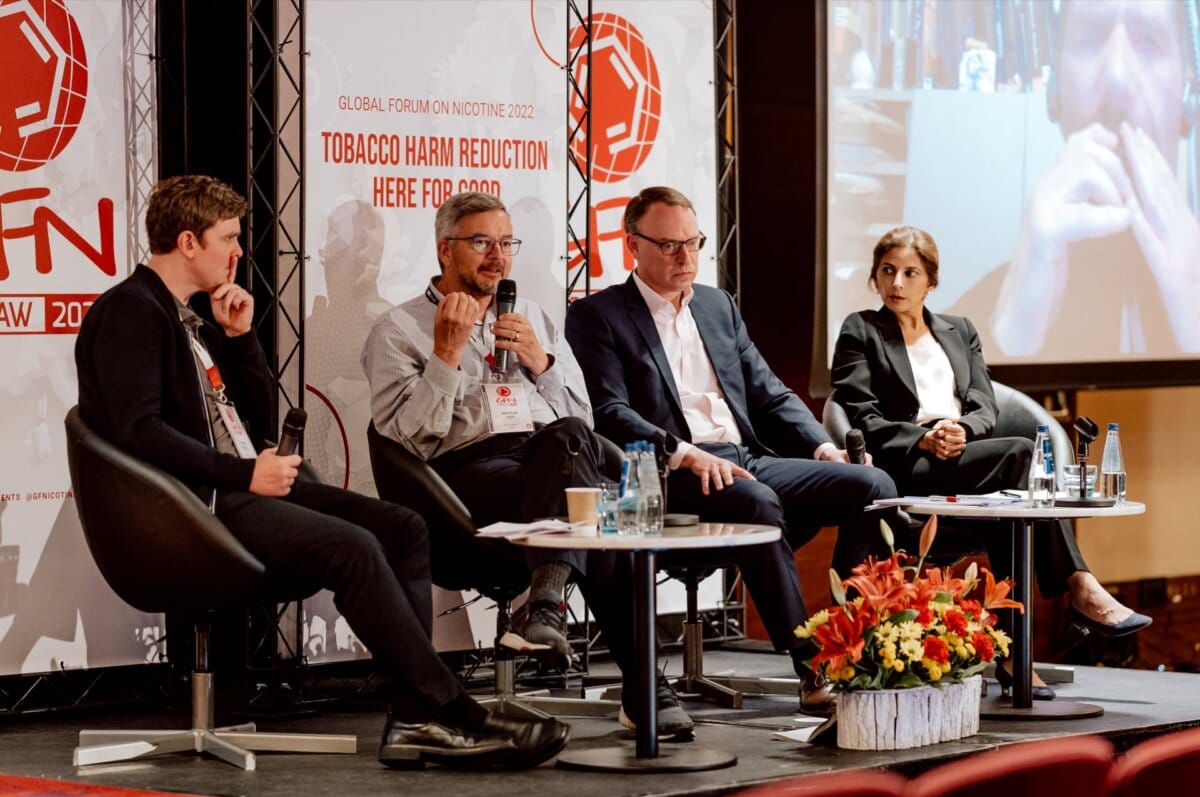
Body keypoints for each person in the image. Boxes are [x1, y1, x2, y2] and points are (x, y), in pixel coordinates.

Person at [74, 175, 568, 770]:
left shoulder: (190, 317)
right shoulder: (131, 311)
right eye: (228, 239)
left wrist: (241, 339)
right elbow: (139, 433)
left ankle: (412, 719)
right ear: (187, 242)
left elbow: (251, 419)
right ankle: (454, 711)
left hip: (233, 486)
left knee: (403, 528)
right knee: (354, 549)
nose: (237, 253)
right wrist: (240, 475)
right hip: (196, 505)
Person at [361, 191, 693, 739]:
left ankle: (551, 611)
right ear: (445, 250)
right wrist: (446, 353)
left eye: (506, 243)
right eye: (481, 243)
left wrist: (541, 363)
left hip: (553, 457)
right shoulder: (398, 330)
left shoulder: (533, 315)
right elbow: (411, 442)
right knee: (588, 517)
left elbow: (583, 419)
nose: (497, 256)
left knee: (586, 485)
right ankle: (630, 676)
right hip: (464, 482)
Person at [564, 186, 899, 713]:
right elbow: (609, 411)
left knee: (873, 486)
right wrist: (685, 452)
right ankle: (809, 662)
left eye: (694, 243)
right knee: (758, 503)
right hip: (670, 472)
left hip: (744, 459)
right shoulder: (598, 315)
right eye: (670, 245)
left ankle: (850, 643)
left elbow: (769, 392)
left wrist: (823, 449)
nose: (686, 257)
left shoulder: (717, 306)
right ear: (633, 244)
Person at [832, 226, 1153, 697]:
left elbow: (985, 404)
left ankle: (1010, 658)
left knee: (1011, 516)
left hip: (963, 455)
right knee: (1021, 453)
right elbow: (859, 415)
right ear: (875, 278)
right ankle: (1079, 587)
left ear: (930, 282)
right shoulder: (861, 330)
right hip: (905, 468)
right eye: (887, 271)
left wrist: (963, 430)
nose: (897, 283)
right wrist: (924, 440)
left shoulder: (959, 330)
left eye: (909, 272)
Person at [956, 0, 1200, 359]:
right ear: (1054, 90)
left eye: (1150, 40)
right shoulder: (959, 334)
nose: (1117, 77)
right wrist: (1005, 338)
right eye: (1089, 38)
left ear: (1188, 99)